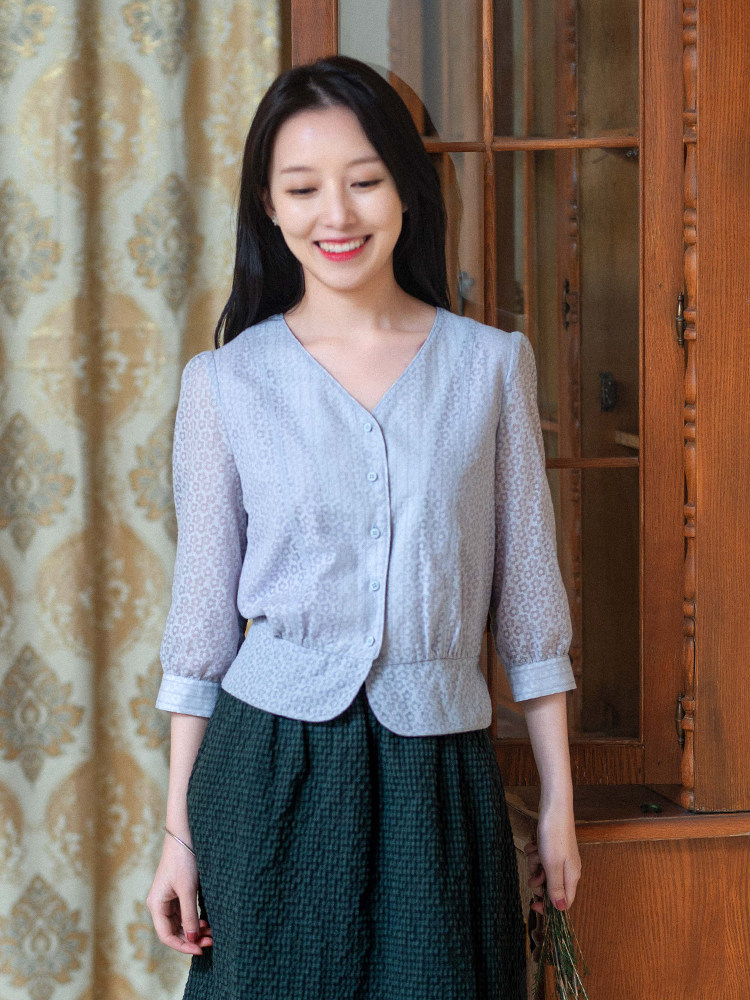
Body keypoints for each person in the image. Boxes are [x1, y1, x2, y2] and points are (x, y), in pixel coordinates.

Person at [146, 54, 581, 1000]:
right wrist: (177, 836)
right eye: (303, 188)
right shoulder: (224, 383)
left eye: (365, 181)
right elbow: (200, 630)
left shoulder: (491, 366)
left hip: (440, 777)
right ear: (268, 205)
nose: (335, 215)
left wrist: (557, 807)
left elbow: (532, 612)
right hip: (266, 773)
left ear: (408, 192)